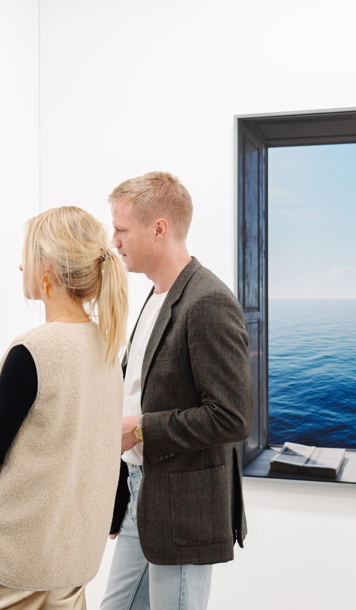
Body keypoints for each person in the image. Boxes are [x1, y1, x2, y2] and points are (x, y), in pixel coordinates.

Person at [0, 206, 130, 609]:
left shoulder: (36, 350)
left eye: (27, 254)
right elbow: (107, 445)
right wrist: (112, 512)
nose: (20, 265)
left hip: (10, 565)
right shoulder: (108, 349)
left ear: (47, 268)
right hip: (70, 567)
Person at [100, 171, 253, 610]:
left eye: (122, 230)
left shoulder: (208, 301)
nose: (115, 241)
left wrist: (144, 430)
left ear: (159, 229)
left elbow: (232, 416)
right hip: (141, 498)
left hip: (183, 510)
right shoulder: (155, 297)